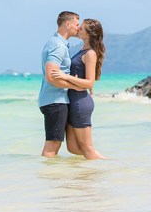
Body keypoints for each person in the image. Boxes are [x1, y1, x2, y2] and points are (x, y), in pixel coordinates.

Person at [53, 17, 106, 161]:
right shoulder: (82, 50)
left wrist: (66, 76)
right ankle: (104, 162)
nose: (78, 29)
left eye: (81, 28)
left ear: (88, 34)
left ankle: (98, 172)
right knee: (73, 148)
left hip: (80, 103)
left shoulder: (90, 54)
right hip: (73, 101)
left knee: (87, 148)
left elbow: (89, 83)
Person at [38, 11, 81, 158]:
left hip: (55, 100)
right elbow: (51, 76)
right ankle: (48, 173)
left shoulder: (59, 43)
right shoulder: (58, 45)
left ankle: (52, 172)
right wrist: (75, 85)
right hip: (55, 100)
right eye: (76, 24)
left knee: (55, 144)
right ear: (67, 25)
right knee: (53, 145)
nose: (78, 28)